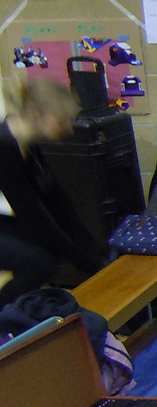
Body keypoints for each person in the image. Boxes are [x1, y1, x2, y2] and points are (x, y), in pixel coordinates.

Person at [0, 78, 104, 307]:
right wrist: (89, 265)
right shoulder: (4, 145)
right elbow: (33, 217)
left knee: (48, 254)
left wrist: (97, 255)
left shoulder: (29, 144)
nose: (68, 128)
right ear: (38, 114)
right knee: (39, 261)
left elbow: (58, 203)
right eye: (62, 119)